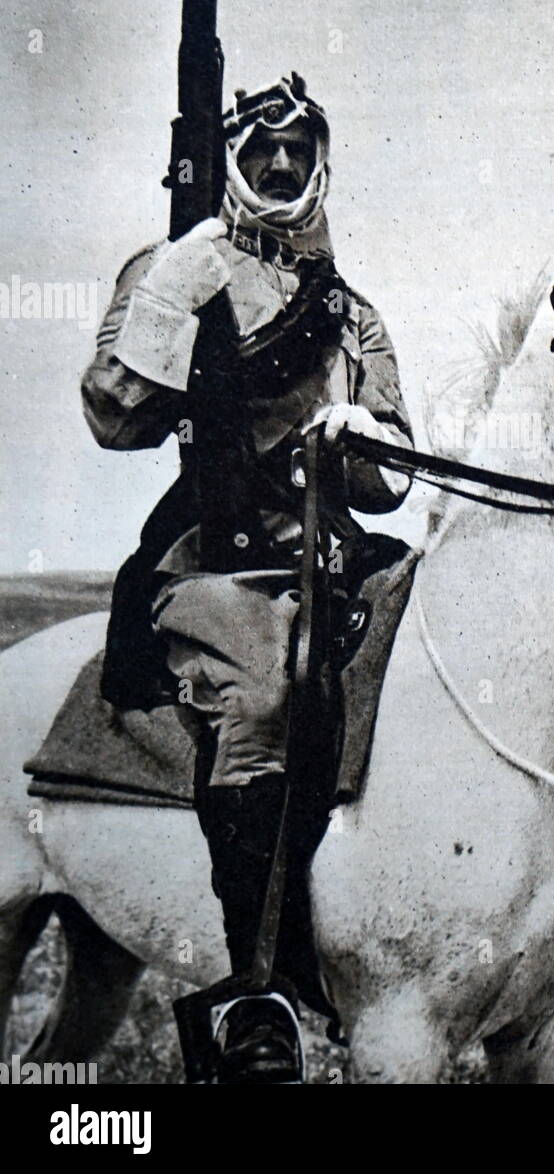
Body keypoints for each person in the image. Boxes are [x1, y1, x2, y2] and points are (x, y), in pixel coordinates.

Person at [82, 73, 413, 1083]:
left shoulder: (352, 313)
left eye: (297, 151)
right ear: (230, 160)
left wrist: (364, 441)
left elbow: (393, 477)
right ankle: (256, 988)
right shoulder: (174, 266)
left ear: (320, 163)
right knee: (263, 694)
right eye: (260, 150)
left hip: (334, 556)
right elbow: (114, 417)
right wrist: (172, 298)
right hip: (214, 561)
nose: (279, 166)